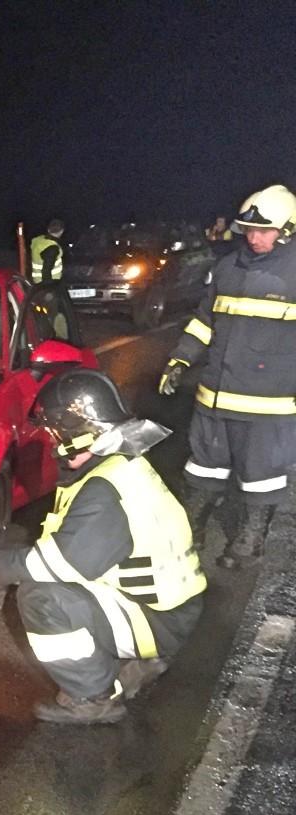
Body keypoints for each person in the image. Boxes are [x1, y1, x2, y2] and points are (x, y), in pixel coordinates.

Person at [0, 370, 206, 724]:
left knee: (42, 596)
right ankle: (140, 663)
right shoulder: (119, 468)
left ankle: (93, 697)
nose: (53, 443)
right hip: (165, 609)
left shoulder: (105, 488)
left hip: (159, 620)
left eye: (56, 433)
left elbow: (58, 564)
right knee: (51, 582)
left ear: (78, 435)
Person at [158, 184, 296, 568]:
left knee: (261, 476)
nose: (253, 238)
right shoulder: (227, 268)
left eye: (264, 231)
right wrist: (181, 360)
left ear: (288, 229)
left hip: (270, 403)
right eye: (249, 230)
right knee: (203, 468)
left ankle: (249, 544)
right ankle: (189, 533)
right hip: (214, 395)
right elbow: (205, 321)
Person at [29, 218, 66, 283]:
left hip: (38, 281)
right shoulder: (52, 248)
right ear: (61, 231)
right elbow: (46, 272)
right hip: (49, 284)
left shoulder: (39, 241)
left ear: (48, 230)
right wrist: (49, 288)